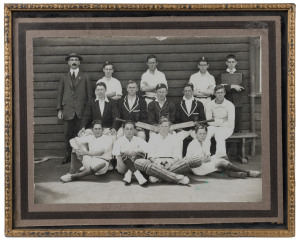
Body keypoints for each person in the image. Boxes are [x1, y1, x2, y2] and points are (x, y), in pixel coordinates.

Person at [134, 118, 203, 185]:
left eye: (166, 126)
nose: (164, 128)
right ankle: (176, 177)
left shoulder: (174, 138)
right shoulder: (153, 137)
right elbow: (150, 156)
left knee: (188, 161)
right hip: (157, 164)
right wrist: (157, 162)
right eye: (162, 126)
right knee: (139, 162)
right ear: (158, 127)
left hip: (172, 164)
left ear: (169, 127)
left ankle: (158, 177)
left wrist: (171, 162)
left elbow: (177, 156)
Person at [57, 53, 93, 165]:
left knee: (80, 134)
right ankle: (68, 155)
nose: (74, 61)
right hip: (67, 111)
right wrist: (59, 109)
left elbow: (90, 95)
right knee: (67, 134)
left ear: (79, 63)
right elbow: (60, 93)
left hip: (81, 111)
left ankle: (80, 155)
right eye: (71, 60)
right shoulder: (64, 77)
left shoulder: (85, 77)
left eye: (76, 60)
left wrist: (88, 111)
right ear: (68, 63)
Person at [186, 124, 261, 178]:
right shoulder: (194, 144)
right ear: (195, 134)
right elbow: (200, 161)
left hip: (204, 163)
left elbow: (207, 157)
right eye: (200, 134)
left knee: (222, 155)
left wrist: (208, 158)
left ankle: (231, 173)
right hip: (198, 168)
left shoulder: (203, 141)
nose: (202, 136)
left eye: (204, 134)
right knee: (221, 162)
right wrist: (208, 158)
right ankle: (248, 172)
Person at [112, 120, 148, 185]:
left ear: (134, 130)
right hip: (123, 168)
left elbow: (148, 148)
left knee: (141, 153)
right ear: (123, 130)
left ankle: (129, 174)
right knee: (124, 155)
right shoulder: (119, 140)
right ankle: (138, 175)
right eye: (127, 129)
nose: (129, 131)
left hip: (135, 165)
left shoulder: (138, 139)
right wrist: (124, 151)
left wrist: (137, 150)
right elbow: (114, 152)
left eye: (131, 129)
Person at [204, 85, 235, 159]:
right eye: (218, 92)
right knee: (205, 133)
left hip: (227, 127)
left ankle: (221, 157)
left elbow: (230, 122)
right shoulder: (209, 104)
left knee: (219, 135)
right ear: (214, 93)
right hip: (214, 126)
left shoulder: (230, 105)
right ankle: (206, 155)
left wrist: (218, 123)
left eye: (221, 92)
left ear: (224, 93)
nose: (220, 94)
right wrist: (222, 121)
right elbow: (209, 121)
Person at [175, 83, 206, 156]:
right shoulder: (179, 104)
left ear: (192, 91)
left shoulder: (199, 104)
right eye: (185, 91)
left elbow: (202, 118)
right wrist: (178, 128)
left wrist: (198, 127)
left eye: (189, 90)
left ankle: (199, 158)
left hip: (195, 130)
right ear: (183, 92)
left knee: (200, 138)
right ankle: (178, 159)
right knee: (176, 139)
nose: (187, 93)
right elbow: (176, 119)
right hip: (183, 130)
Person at [217, 54, 246, 133]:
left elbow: (243, 88)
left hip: (237, 103)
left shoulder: (241, 74)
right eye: (229, 62)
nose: (231, 64)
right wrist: (233, 86)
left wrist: (227, 86)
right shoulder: (221, 75)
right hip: (226, 102)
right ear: (226, 63)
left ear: (236, 63)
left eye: (233, 62)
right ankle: (227, 145)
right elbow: (219, 88)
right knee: (226, 123)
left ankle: (239, 145)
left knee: (237, 125)